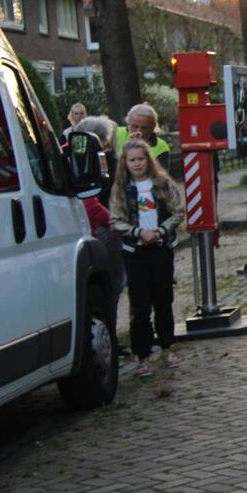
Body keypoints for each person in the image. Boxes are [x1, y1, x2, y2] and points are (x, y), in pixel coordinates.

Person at [110, 139, 184, 377]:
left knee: (163, 300)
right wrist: (137, 232)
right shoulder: (121, 189)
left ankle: (167, 348)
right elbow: (115, 220)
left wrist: (161, 231)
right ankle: (142, 357)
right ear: (126, 163)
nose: (137, 164)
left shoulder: (162, 184)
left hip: (161, 248)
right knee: (139, 305)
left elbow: (177, 211)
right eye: (132, 160)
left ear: (148, 160)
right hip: (135, 253)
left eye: (141, 159)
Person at [73, 115, 129, 356]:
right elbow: (93, 204)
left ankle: (110, 336)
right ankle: (109, 337)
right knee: (113, 283)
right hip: (108, 228)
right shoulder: (103, 162)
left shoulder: (79, 160)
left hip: (101, 226)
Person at [115, 103, 171, 170]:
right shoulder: (116, 133)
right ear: (128, 123)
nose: (139, 131)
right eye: (135, 126)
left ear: (152, 128)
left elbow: (160, 176)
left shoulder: (161, 147)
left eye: (144, 128)